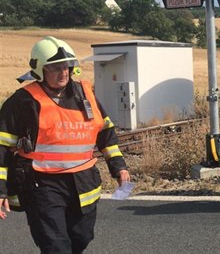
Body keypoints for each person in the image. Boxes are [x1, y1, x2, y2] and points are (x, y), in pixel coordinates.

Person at [0, 36, 130, 253]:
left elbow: (105, 132)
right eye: (55, 68)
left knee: (81, 238)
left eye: (67, 67)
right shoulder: (23, 102)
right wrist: (1, 190)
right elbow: (2, 147)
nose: (63, 73)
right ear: (40, 70)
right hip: (42, 184)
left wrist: (118, 167)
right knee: (56, 246)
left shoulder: (85, 94)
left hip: (83, 182)